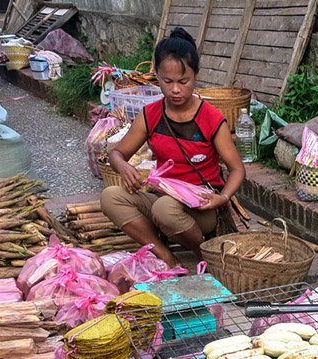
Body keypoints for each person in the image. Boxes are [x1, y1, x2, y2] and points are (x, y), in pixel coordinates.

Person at [100, 28, 246, 268]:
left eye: (183, 81)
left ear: (195, 77)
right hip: (162, 199)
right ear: (157, 76)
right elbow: (116, 153)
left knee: (164, 209)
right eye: (168, 82)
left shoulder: (210, 118)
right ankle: (166, 255)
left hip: (202, 207)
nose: (175, 89)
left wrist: (222, 198)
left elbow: (237, 169)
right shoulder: (151, 115)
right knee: (110, 197)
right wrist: (124, 167)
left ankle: (204, 254)